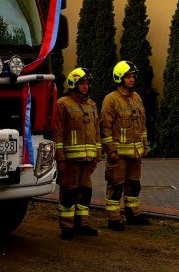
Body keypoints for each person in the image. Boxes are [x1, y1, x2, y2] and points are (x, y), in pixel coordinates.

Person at [101, 60, 151, 231]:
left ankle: (133, 214)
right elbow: (105, 127)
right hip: (119, 154)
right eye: (128, 77)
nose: (132, 80)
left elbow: (142, 124)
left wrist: (144, 145)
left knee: (134, 185)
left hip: (136, 153)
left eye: (133, 77)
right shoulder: (111, 100)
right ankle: (113, 218)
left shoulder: (136, 98)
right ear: (120, 78)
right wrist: (111, 150)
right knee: (116, 186)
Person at [54, 68, 102, 240]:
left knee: (86, 192)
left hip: (87, 159)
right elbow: (58, 133)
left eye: (87, 83)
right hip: (70, 160)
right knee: (69, 192)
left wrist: (97, 156)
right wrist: (60, 158)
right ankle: (67, 227)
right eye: (82, 83)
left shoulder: (92, 104)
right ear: (73, 84)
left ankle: (83, 224)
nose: (85, 86)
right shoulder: (63, 104)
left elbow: (96, 131)